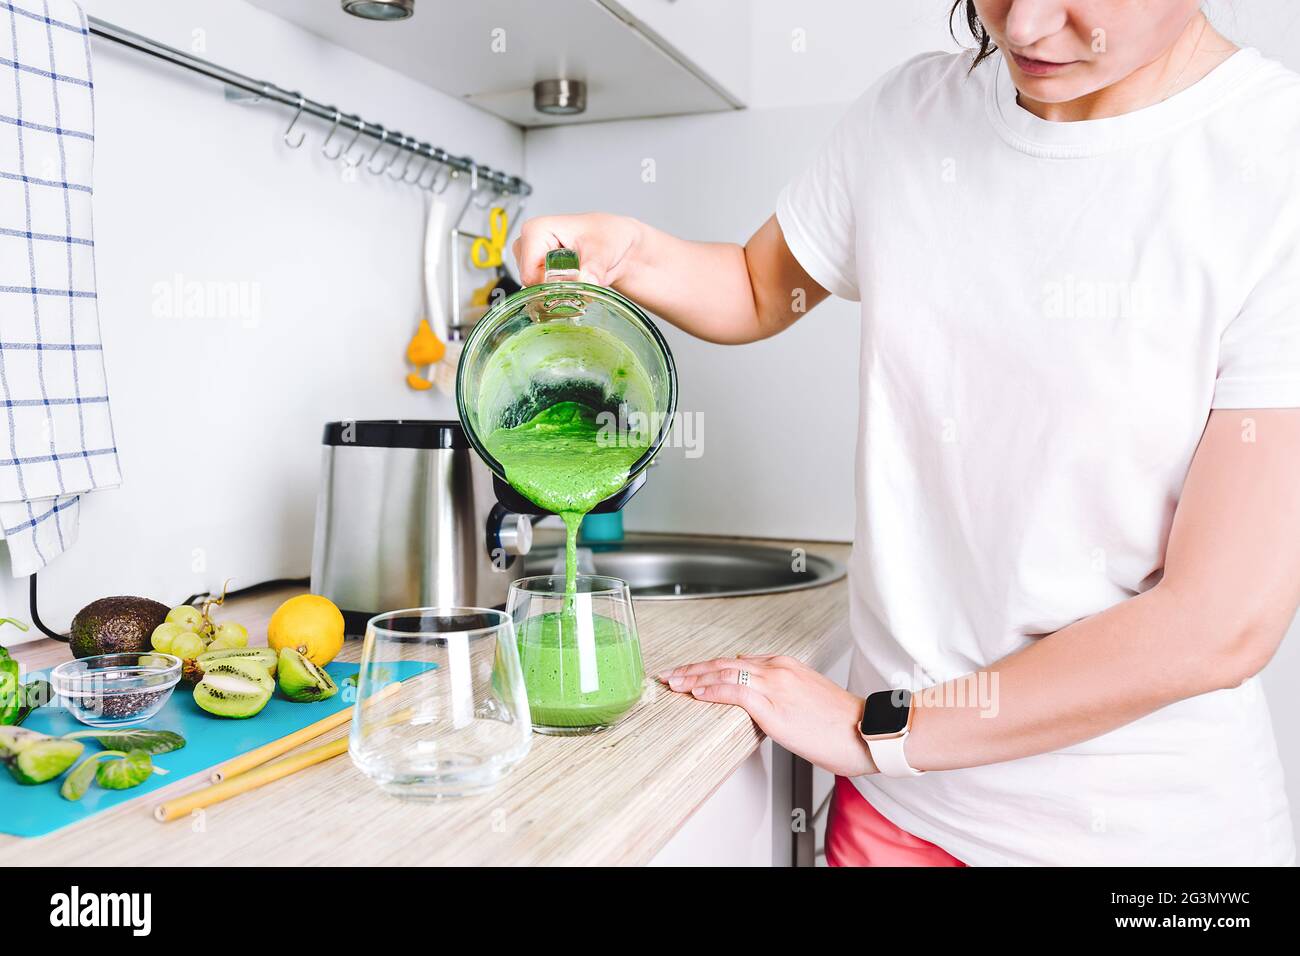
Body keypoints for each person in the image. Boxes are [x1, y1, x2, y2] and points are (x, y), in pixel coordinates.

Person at [512, 0, 1300, 865]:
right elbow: (764, 286)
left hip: (1142, 843)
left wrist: (876, 727)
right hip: (901, 817)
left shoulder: (1273, 163)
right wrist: (631, 252)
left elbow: (1218, 619)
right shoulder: (911, 116)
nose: (1026, 28)